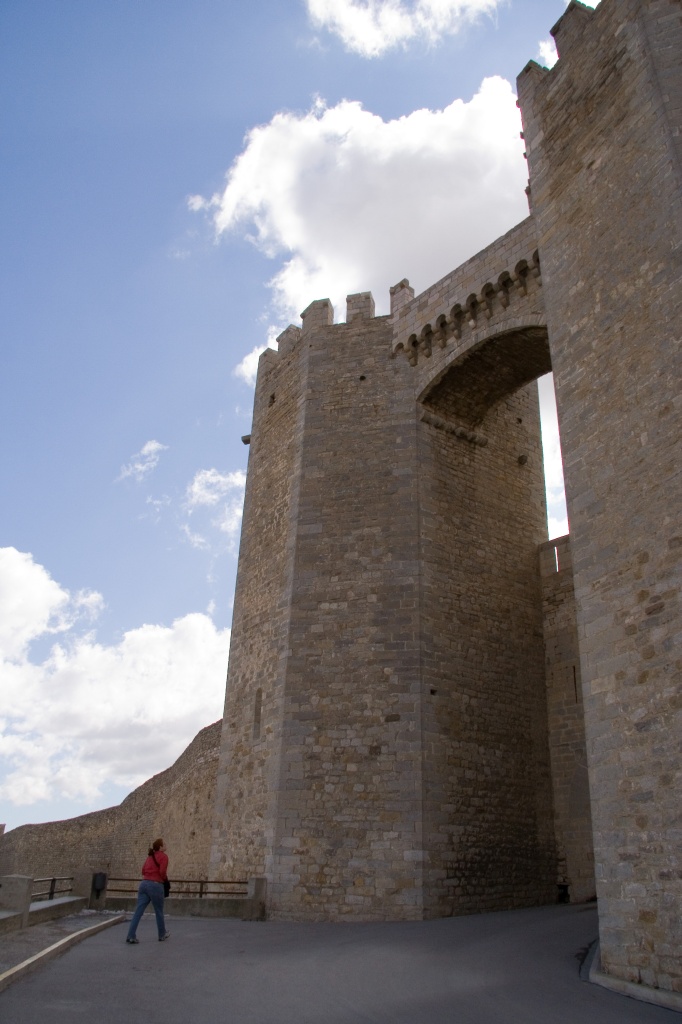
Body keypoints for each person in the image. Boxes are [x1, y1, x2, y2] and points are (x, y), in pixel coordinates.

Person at [125, 838, 170, 943]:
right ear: (160, 847)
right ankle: (162, 934)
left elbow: (143, 870)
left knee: (138, 912)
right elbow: (162, 872)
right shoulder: (164, 857)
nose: (166, 845)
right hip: (155, 885)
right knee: (158, 911)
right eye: (164, 844)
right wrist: (163, 880)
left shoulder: (150, 856)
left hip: (144, 884)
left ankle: (131, 935)